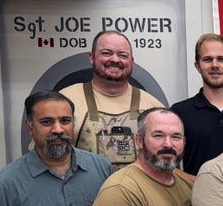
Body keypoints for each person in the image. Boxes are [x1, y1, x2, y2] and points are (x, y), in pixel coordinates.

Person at [60, 30, 164, 170]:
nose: (115, 60)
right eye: (106, 53)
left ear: (131, 61)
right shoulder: (65, 100)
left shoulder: (154, 107)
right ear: (91, 57)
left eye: (123, 55)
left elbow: (164, 165)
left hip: (136, 192)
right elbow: (43, 157)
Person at [170, 33, 223, 175]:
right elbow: (168, 166)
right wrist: (198, 185)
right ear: (198, 66)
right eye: (207, 59)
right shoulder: (179, 112)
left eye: (221, 59)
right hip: (196, 195)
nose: (215, 65)